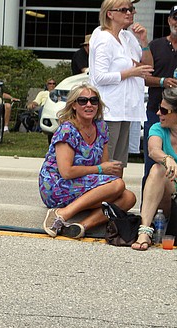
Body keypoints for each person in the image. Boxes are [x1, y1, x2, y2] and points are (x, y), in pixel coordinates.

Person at [40, 84, 136, 239]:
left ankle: (80, 226)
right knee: (118, 185)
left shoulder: (101, 127)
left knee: (128, 197)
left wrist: (106, 170)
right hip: (57, 184)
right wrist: (99, 169)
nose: (89, 105)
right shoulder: (67, 130)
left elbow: (105, 172)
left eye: (93, 100)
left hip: (83, 183)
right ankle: (61, 213)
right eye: (83, 101)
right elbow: (66, 172)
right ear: (74, 106)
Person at [89, 0, 152, 166]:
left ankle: (117, 192)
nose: (130, 13)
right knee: (106, 161)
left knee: (120, 161)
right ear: (110, 14)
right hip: (110, 109)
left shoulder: (127, 37)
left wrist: (144, 41)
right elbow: (99, 77)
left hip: (127, 109)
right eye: (125, 9)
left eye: (131, 9)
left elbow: (148, 67)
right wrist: (129, 72)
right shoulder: (103, 38)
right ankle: (104, 192)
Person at [134, 87, 177, 250]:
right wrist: (167, 159)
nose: (158, 113)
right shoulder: (158, 128)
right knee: (157, 169)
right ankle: (145, 231)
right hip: (170, 192)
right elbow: (154, 150)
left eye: (163, 110)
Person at [142, 4, 177, 185]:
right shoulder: (156, 45)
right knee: (153, 164)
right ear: (169, 20)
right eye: (176, 18)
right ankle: (146, 210)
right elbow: (143, 77)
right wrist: (162, 81)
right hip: (156, 112)